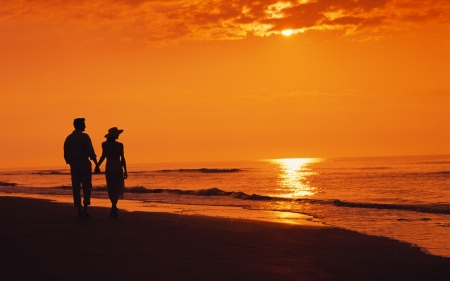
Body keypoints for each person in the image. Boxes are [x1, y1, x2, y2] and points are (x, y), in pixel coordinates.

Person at [64, 118, 98, 217]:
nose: (85, 126)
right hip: (83, 162)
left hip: (74, 163)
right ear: (79, 125)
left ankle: (79, 209)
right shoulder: (85, 137)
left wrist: (71, 162)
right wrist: (96, 164)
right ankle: (85, 208)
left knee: (76, 187)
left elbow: (66, 153)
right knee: (87, 186)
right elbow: (90, 151)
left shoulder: (69, 138)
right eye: (83, 124)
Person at [95, 127, 127, 217]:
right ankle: (114, 205)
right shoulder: (119, 145)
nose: (118, 135)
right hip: (117, 165)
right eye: (117, 134)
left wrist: (97, 165)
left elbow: (103, 156)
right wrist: (125, 170)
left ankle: (113, 205)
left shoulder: (105, 144)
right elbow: (122, 158)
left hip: (110, 165)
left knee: (112, 186)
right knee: (116, 186)